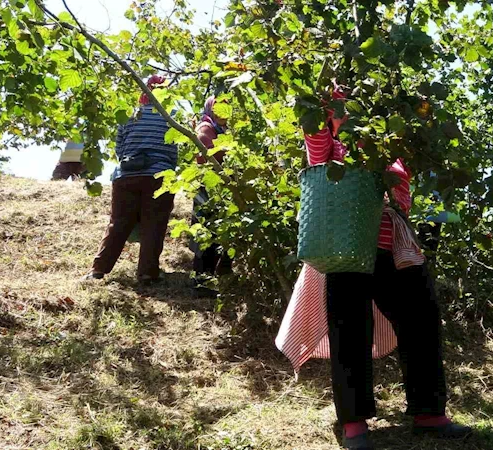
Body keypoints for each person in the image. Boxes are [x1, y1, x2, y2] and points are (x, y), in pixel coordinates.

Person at [276, 87, 471, 450]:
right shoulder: (333, 146)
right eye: (343, 109)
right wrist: (324, 105)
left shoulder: (393, 147)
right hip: (346, 249)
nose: (350, 113)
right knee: (350, 331)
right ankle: (354, 422)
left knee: (422, 321)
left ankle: (429, 413)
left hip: (394, 248)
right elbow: (315, 142)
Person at [82, 76, 178, 285]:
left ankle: (98, 270)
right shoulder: (170, 115)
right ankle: (147, 273)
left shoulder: (130, 115)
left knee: (118, 223)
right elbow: (173, 150)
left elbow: (119, 147)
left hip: (127, 174)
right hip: (159, 176)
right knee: (154, 224)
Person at [191, 96, 232, 287]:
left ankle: (217, 278)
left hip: (222, 189)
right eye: (218, 107)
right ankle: (202, 280)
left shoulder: (223, 131)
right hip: (208, 189)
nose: (223, 111)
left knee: (220, 234)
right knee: (206, 233)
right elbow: (202, 157)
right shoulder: (206, 129)